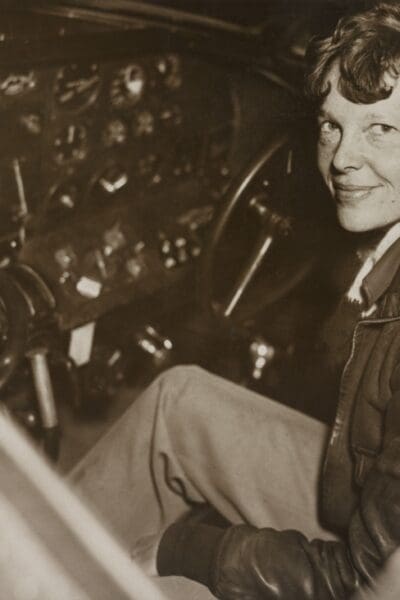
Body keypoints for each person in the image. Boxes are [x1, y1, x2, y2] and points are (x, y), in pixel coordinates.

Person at [70, 2, 400, 598]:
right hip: (372, 497)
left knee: (171, 586)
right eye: (332, 125)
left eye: (381, 128)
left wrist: (187, 550)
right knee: (179, 399)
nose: (344, 158)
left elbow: (364, 582)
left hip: (373, 575)